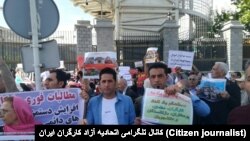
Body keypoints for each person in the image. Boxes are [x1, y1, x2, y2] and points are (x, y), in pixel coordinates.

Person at [134, 62, 210, 124]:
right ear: (149, 79)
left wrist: (181, 92)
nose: (156, 80)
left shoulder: (181, 93)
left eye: (160, 76)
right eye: (153, 77)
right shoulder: (141, 100)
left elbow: (205, 111)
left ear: (166, 77)